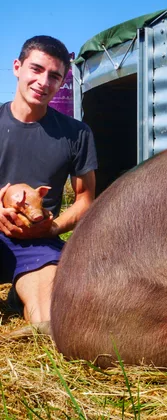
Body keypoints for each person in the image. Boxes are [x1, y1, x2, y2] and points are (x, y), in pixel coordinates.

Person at [0, 35, 97, 329]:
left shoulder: (76, 133)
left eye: (54, 76)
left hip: (37, 243)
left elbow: (85, 199)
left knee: (50, 318)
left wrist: (52, 227)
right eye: (36, 69)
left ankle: (26, 292)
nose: (44, 82)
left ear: (62, 82)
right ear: (17, 67)